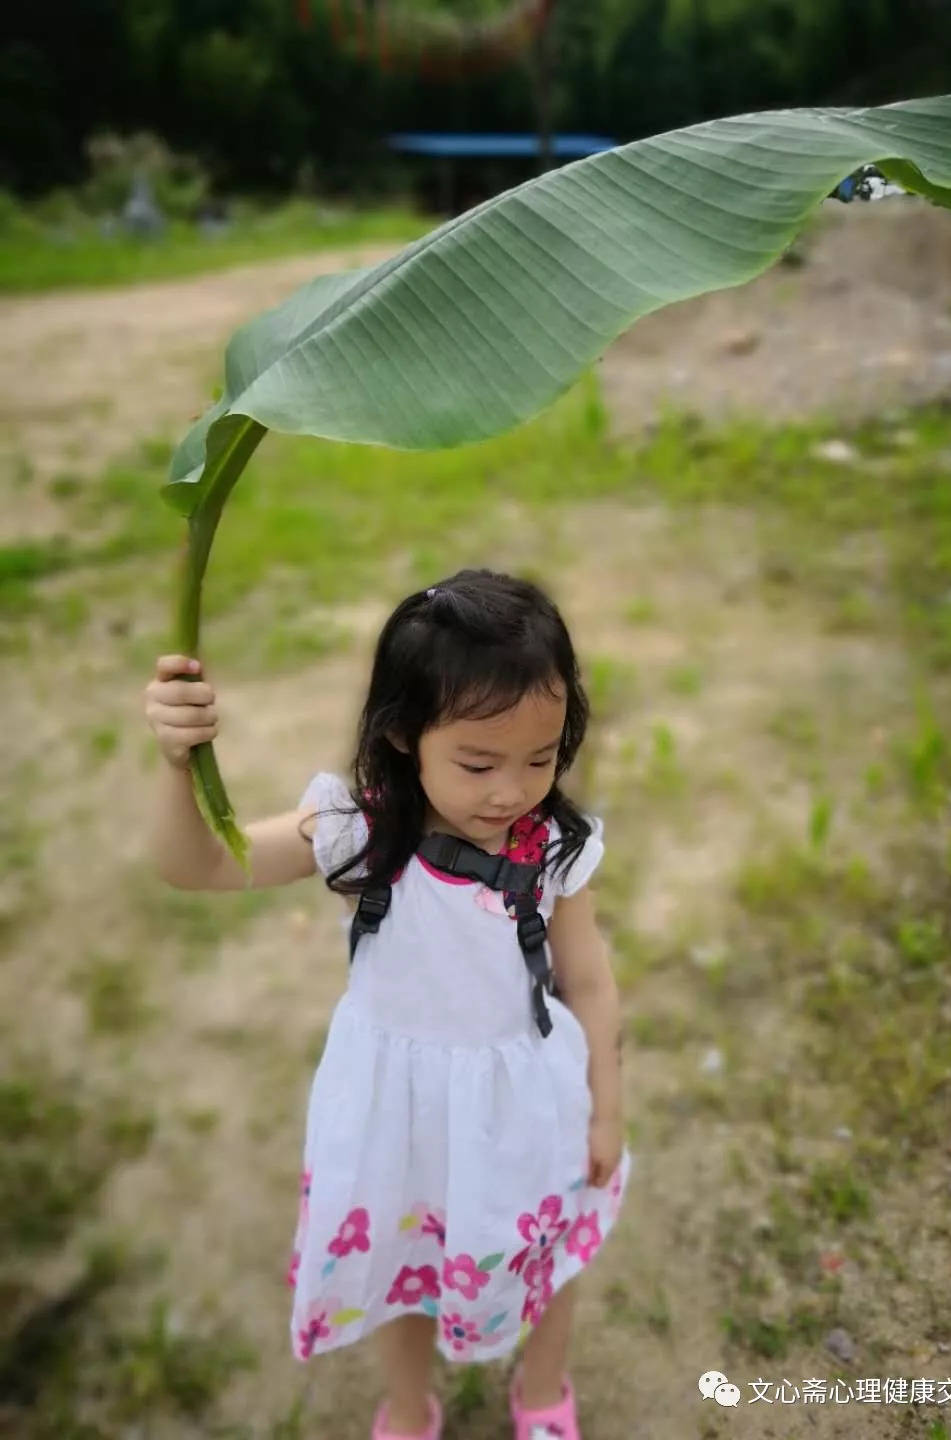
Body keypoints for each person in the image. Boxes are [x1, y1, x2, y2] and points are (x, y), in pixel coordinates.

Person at [144, 569, 629, 1440]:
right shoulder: (363, 834)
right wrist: (178, 765)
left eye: (541, 757)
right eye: (478, 763)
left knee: (547, 1256)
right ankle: (409, 1407)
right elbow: (199, 866)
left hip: (524, 1104)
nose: (510, 791)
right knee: (405, 1261)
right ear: (404, 733)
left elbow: (588, 980)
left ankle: (545, 1387)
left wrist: (608, 1107)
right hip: (394, 1114)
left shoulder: (554, 850)